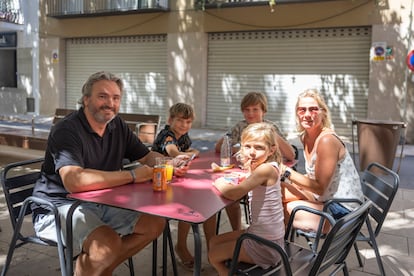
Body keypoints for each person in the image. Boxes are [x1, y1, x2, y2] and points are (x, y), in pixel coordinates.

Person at [31, 71, 188, 276]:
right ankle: (98, 264)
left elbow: (146, 157)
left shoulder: (117, 125)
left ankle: (100, 267)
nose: (110, 103)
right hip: (57, 206)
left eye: (116, 98)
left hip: (102, 201)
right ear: (86, 99)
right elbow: (73, 182)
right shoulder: (67, 129)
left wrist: (170, 163)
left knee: (154, 223)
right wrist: (132, 176)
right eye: (102, 96)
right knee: (106, 245)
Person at [280, 88, 364, 232]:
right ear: (297, 114)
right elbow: (315, 177)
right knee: (275, 192)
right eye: (302, 110)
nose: (307, 115)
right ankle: (274, 245)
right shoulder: (305, 137)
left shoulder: (327, 140)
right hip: (324, 199)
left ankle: (270, 248)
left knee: (279, 207)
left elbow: (319, 187)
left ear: (323, 112)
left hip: (343, 211)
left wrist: (286, 171)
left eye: (313, 109)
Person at [208, 122, 285, 276]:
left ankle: (226, 272)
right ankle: (230, 267)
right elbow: (253, 180)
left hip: (265, 246)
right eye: (247, 146)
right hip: (264, 236)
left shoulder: (265, 169)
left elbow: (234, 194)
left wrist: (219, 181)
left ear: (272, 150)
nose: (252, 152)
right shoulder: (268, 166)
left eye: (259, 147)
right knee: (214, 241)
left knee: (213, 255)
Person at [215, 91, 296, 231]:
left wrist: (272, 134)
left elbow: (291, 155)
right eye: (246, 110)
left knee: (237, 192)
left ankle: (281, 230)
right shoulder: (240, 126)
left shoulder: (271, 128)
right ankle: (238, 232)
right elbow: (220, 147)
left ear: (263, 111)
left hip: (270, 177)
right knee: (231, 199)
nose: (250, 113)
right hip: (248, 174)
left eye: (255, 109)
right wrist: (239, 148)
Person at [152, 102, 214, 271]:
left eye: (188, 122)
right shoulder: (167, 134)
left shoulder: (184, 136)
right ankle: (181, 246)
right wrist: (191, 154)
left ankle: (212, 248)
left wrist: (190, 153)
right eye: (180, 121)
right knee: (191, 204)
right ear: (170, 120)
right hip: (158, 182)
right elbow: (174, 152)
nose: (184, 125)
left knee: (208, 202)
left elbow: (188, 152)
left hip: (176, 179)